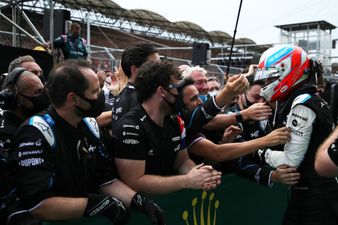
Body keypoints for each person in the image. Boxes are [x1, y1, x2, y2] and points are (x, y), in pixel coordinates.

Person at [8, 60, 165, 225]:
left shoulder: (91, 127)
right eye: (95, 92)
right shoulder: (35, 132)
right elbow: (38, 205)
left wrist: (139, 201)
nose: (100, 97)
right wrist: (95, 205)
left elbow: (106, 180)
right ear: (73, 99)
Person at [254, 45, 338, 225]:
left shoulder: (302, 104)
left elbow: (289, 161)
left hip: (317, 197)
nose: (266, 83)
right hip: (309, 192)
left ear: (289, 71)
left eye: (273, 76)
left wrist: (259, 152)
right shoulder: (301, 98)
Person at [113, 61, 222, 195]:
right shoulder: (130, 127)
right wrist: (187, 180)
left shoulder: (176, 121)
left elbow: (182, 161)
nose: (183, 94)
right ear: (162, 91)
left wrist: (198, 174)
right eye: (178, 88)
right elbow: (135, 182)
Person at [177, 77, 298, 187]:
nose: (261, 103)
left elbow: (208, 160)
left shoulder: (272, 115)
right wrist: (271, 174)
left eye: (265, 97)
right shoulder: (181, 123)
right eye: (256, 97)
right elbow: (220, 153)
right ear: (241, 96)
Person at [0, 68, 49, 224]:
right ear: (16, 99)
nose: (43, 97)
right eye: (37, 93)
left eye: (43, 90)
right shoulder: (4, 135)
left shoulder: (43, 123)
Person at [111, 42, 160, 127]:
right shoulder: (141, 98)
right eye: (154, 65)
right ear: (134, 70)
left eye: (159, 64)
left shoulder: (124, 94)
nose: (159, 69)